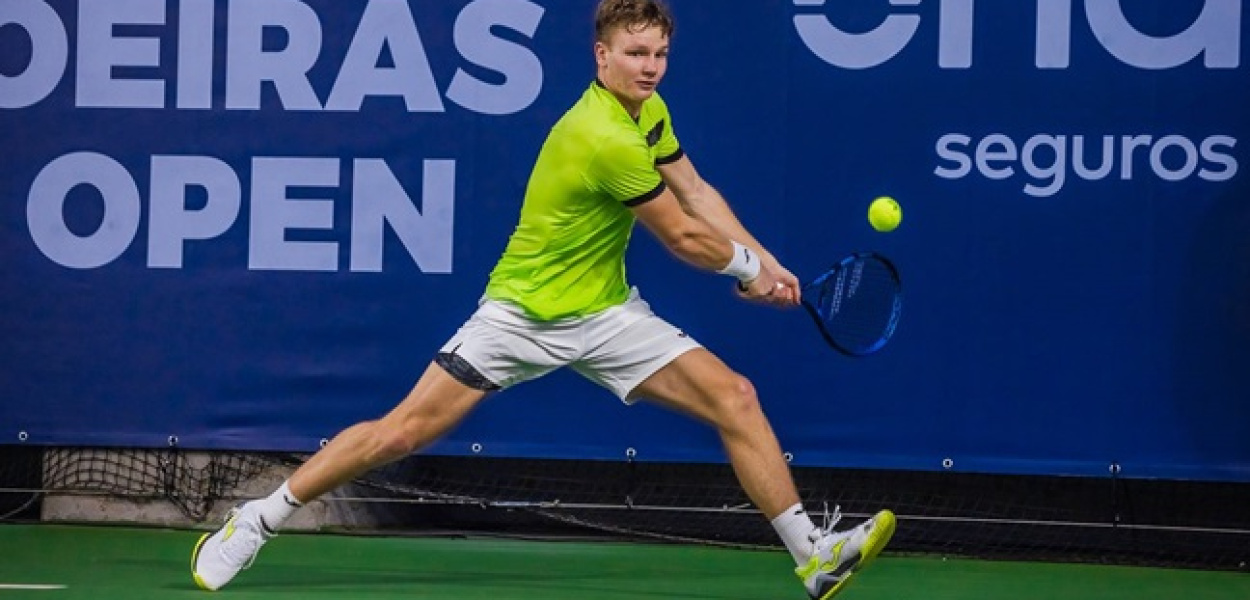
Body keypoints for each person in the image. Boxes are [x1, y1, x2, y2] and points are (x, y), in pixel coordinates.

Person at [191, 1, 894, 598]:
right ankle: (259, 517)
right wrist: (745, 270)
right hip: (521, 317)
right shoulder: (601, 136)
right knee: (400, 433)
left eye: (659, 54)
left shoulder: (650, 113)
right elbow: (681, 236)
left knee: (734, 397)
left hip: (608, 314)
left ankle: (812, 555)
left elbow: (698, 193)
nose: (649, 67)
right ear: (601, 56)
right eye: (635, 53)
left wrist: (765, 259)